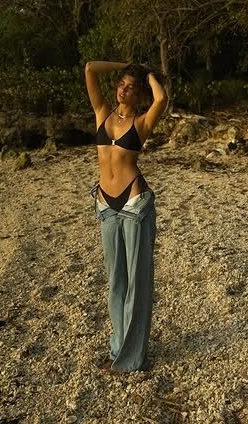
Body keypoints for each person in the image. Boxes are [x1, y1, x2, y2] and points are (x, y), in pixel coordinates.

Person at [84, 60, 168, 374]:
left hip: (134, 204)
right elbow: (90, 69)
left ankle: (134, 359)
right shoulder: (102, 113)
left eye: (131, 87)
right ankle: (119, 348)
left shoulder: (142, 122)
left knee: (137, 282)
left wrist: (148, 74)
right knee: (116, 283)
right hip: (106, 205)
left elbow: (161, 98)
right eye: (121, 84)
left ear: (139, 95)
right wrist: (126, 65)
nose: (123, 90)